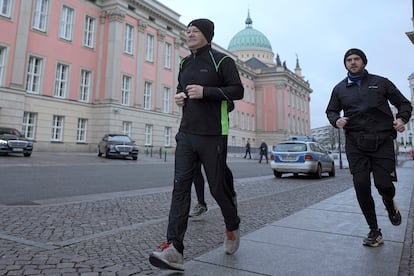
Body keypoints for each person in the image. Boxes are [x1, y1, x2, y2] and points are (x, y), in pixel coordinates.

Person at [149, 18, 244, 271]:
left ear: (207, 34)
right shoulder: (184, 62)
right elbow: (183, 89)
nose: (189, 34)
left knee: (217, 188)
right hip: (186, 134)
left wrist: (206, 92)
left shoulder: (222, 61)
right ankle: (175, 249)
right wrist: (180, 97)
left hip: (214, 134)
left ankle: (232, 224)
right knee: (180, 188)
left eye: (195, 31)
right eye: (187, 30)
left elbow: (237, 91)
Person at [326, 48, 412, 247]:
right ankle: (374, 230)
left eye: (357, 59)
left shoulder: (381, 82)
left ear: (364, 62)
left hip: (382, 141)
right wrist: (336, 120)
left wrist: (401, 118)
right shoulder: (339, 89)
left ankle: (389, 203)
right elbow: (331, 110)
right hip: (356, 143)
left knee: (384, 185)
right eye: (349, 60)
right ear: (345, 64)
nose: (353, 62)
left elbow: (404, 104)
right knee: (361, 185)